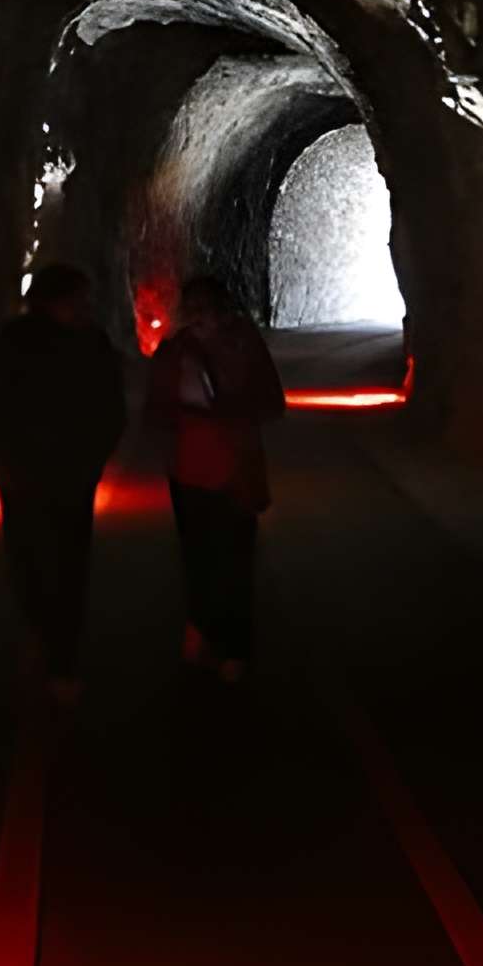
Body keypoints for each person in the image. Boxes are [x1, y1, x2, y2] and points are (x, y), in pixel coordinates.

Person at [0, 262, 128, 703]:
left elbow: (110, 405)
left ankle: (58, 653)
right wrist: (6, 455)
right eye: (75, 298)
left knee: (59, 562)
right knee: (38, 560)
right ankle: (44, 639)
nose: (83, 306)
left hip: (62, 475)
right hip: (32, 474)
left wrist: (93, 457)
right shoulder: (16, 346)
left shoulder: (84, 343)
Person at [146, 273, 285, 681]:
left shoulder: (240, 345)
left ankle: (232, 646)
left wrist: (223, 412)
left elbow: (271, 401)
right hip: (191, 471)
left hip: (232, 469)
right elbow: (156, 410)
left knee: (233, 561)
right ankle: (205, 634)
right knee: (201, 558)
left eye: (204, 309)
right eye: (194, 310)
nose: (199, 317)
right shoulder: (176, 351)